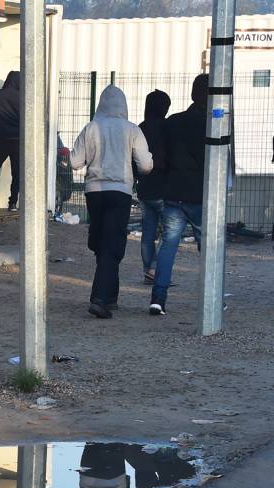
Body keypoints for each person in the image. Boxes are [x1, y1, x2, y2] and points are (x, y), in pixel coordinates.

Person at [70, 85, 152, 319]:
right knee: (112, 244)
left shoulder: (91, 127)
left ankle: (110, 296)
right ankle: (100, 298)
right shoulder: (132, 130)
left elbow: (76, 162)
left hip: (94, 191)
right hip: (120, 191)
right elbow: (146, 165)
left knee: (100, 242)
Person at [150, 75, 209, 316]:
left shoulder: (173, 123)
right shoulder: (214, 123)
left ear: (192, 93)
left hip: (174, 192)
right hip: (202, 195)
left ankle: (158, 298)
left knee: (168, 247)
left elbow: (161, 158)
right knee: (208, 248)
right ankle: (211, 297)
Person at [137, 90, 171, 285]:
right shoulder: (168, 128)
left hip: (144, 187)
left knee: (148, 233)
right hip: (164, 188)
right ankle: (158, 271)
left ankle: (148, 269)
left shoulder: (140, 128)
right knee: (168, 234)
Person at [0, 71, 22, 211]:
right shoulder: (22, 98)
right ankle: (12, 203)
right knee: (16, 173)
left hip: (0, 139)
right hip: (17, 141)